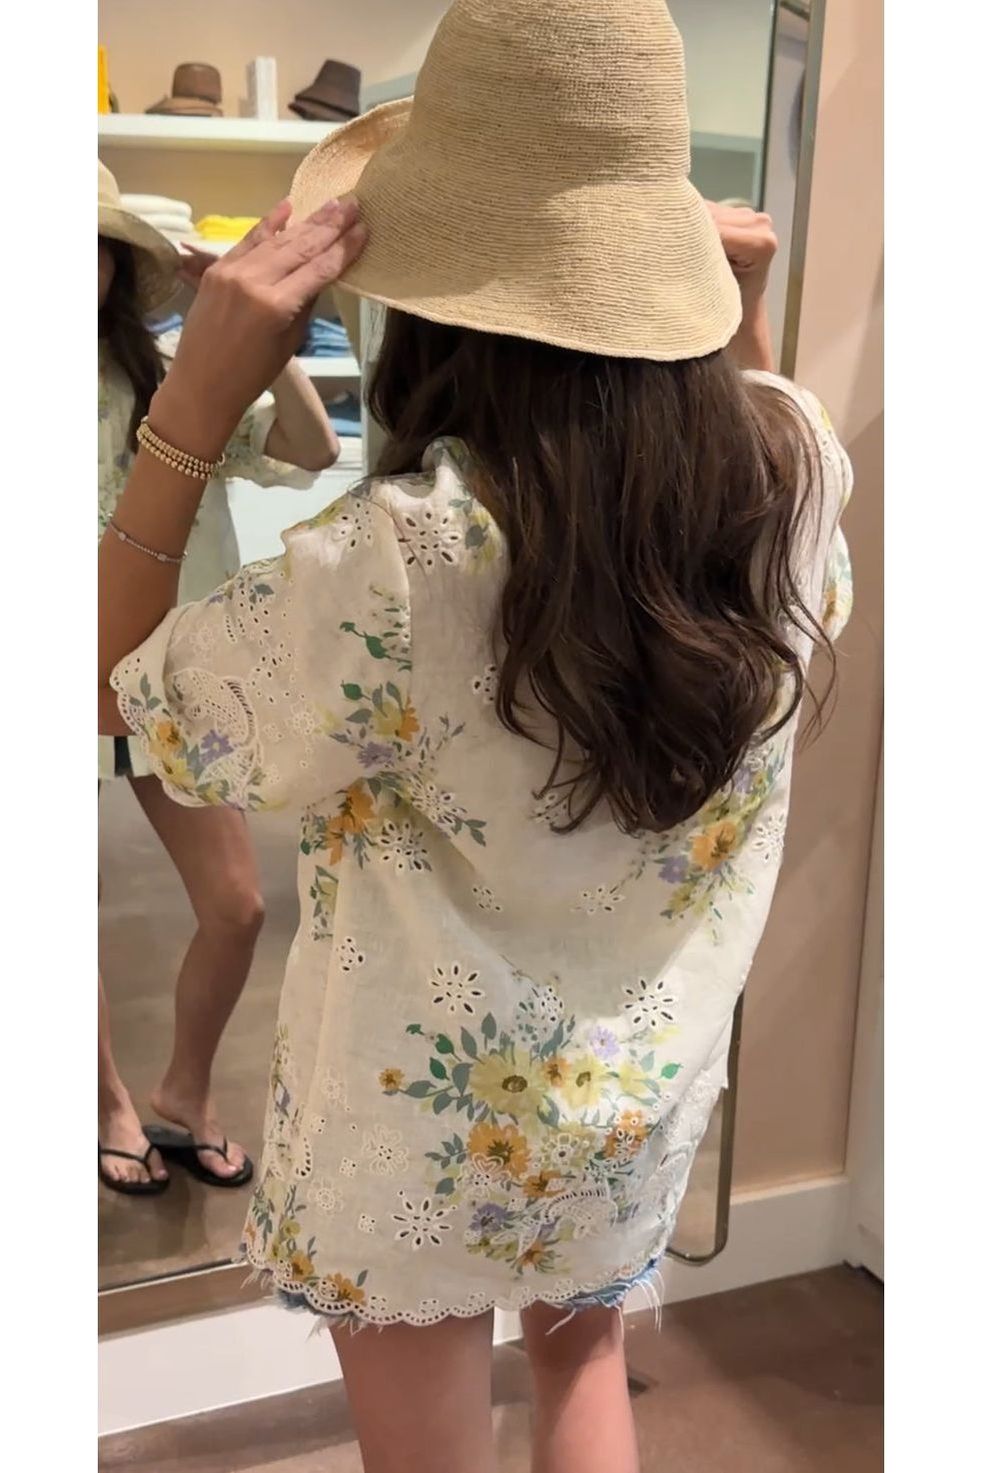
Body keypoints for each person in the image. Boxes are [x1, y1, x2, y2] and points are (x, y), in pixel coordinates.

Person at [97, 2, 853, 1468]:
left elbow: (130, 702)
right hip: (636, 1089)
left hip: (414, 1121)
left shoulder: (405, 559)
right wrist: (733, 313)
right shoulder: (795, 468)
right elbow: (754, 406)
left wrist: (189, 407)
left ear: (438, 291)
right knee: (582, 1378)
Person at [97, 162, 341, 1195]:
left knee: (236, 904)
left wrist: (259, 343)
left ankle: (183, 1094)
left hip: (163, 679)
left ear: (113, 264)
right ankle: (105, 1101)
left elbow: (309, 445)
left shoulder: (162, 376)